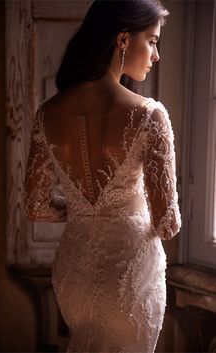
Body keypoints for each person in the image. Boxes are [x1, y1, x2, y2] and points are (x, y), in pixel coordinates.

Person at [23, 0, 182, 352]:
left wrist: (84, 210)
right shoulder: (149, 117)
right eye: (153, 41)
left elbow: (34, 206)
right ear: (123, 40)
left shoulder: (47, 114)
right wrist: (122, 211)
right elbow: (167, 223)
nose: (156, 55)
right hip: (129, 276)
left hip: (74, 273)